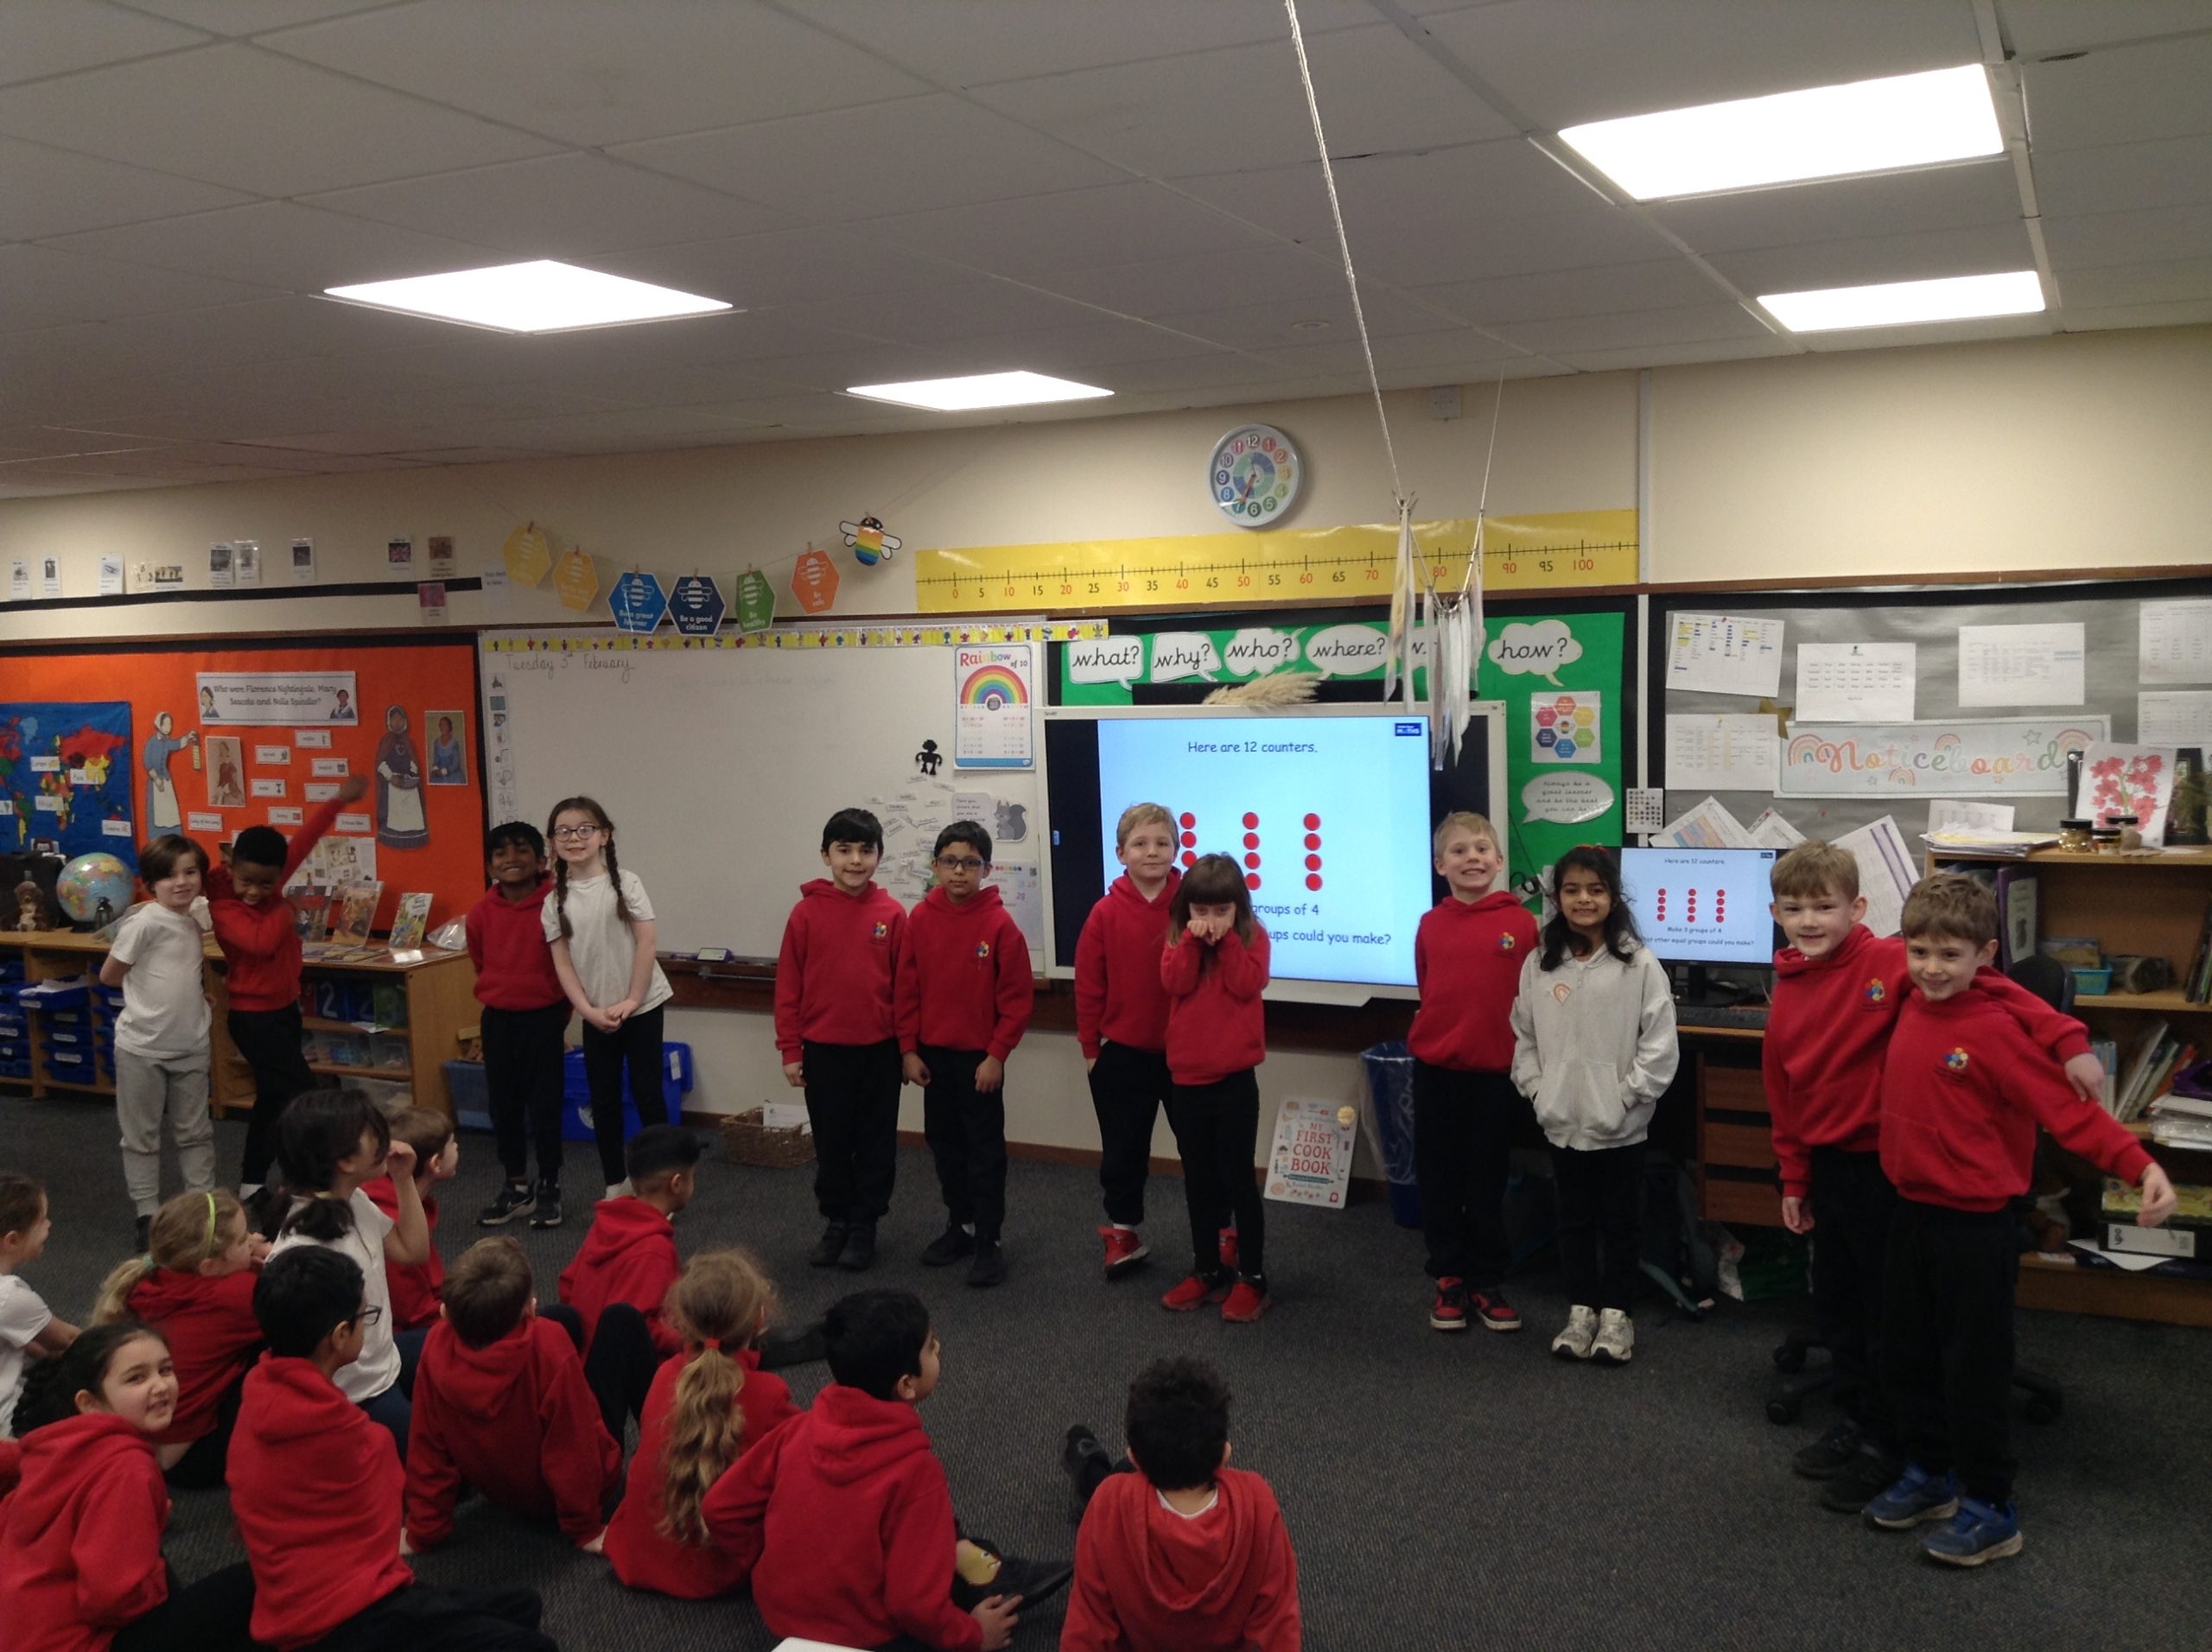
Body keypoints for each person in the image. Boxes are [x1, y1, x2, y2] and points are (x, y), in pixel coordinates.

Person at [1764, 840, 2107, 1509]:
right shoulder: (1788, 989)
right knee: (1837, 1303)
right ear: (1775, 914)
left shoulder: (1893, 961)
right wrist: (1796, 1178)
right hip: (1829, 1167)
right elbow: (1785, 1096)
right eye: (1794, 909)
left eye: (1824, 907)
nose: (1809, 921)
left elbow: (1994, 985)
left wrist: (2068, 1040)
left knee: (1887, 1317)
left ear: (1857, 909)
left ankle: (1890, 1442)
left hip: (1891, 1167)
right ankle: (1858, 1417)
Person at [1861, 874, 2176, 1566]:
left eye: (1950, 955)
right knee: (1906, 1354)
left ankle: (1990, 1506)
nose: (1931, 968)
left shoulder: (1997, 1033)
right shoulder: (1910, 996)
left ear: (1986, 956)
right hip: (1910, 1211)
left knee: (1973, 1369)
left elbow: (2070, 1116)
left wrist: (2140, 1166)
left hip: (1975, 1227)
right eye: (1919, 951)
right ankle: (1932, 1473)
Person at [229, 1248, 555, 1650]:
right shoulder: (354, 1438)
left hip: (305, 1597)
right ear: (340, 1337)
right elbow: (381, 1519)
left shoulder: (256, 1403)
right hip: (350, 1615)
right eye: (365, 1317)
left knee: (522, 1605)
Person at [702, 1289, 1058, 1652]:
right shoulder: (916, 1472)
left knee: (940, 1535)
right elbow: (913, 1604)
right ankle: (993, 1577)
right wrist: (973, 1636)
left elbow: (719, 1508)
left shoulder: (796, 1430)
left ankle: (982, 1563)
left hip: (781, 1614)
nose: (939, 1350)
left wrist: (767, 1564)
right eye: (931, 1347)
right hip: (866, 1637)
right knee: (948, 1563)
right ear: (906, 1385)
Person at [1510, 845, 1677, 1366]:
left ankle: (1617, 1316)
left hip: (1619, 1126)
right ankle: (1581, 1311)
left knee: (1622, 1222)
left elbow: (1659, 1045)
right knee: (1574, 1221)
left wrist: (1625, 1097)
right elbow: (1525, 1036)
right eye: (1572, 890)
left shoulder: (1639, 964)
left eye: (1596, 889)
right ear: (1557, 897)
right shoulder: (1540, 963)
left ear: (1613, 897)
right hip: (1562, 1122)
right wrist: (1539, 1090)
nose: (1584, 899)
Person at [0, 1322, 257, 1651]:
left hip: (23, 1631)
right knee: (254, 1584)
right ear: (89, 1403)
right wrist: (154, 1581)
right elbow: (110, 1601)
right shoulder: (128, 1467)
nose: (160, 1386)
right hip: (79, 1641)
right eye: (137, 1378)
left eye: (166, 1370)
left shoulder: (55, 1441)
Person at [1059, 1357, 1300, 1652]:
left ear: (1136, 1458)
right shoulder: (1257, 1502)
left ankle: (1088, 1469)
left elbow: (1087, 1627)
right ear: (1225, 1455)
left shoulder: (1109, 1504)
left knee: (1112, 1480)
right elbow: (1279, 1624)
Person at [401, 1237, 620, 1556]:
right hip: (564, 1499)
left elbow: (427, 1448)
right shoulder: (549, 1343)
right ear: (530, 1309)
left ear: (445, 1313)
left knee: (566, 1319)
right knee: (616, 1325)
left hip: (500, 1493)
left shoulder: (435, 1346)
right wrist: (586, 1528)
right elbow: (574, 1448)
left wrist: (423, 1531)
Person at [601, 1249, 799, 1598]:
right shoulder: (769, 1394)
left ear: (681, 1322)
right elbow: (804, 1458)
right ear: (759, 1320)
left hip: (640, 1554)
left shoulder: (664, 1375)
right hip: (718, 1569)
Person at [1408, 810, 1539, 1334]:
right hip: (1437, 1070)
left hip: (1495, 1076)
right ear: (1440, 864)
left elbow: (1531, 1001)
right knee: (1439, 1178)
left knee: (1486, 1180)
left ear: (1500, 860)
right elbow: (1429, 987)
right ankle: (1448, 1276)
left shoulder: (1522, 924)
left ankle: (1486, 1278)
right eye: (1459, 851)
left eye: (1482, 849)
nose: (1472, 858)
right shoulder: (1430, 924)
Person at [204, 776, 368, 1190]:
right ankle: (313, 1181)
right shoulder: (224, 907)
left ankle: (253, 1184)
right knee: (302, 1099)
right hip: (253, 1019)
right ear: (230, 867)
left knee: (273, 1099)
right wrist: (287, 907)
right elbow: (261, 942)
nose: (255, 891)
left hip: (282, 1011)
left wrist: (338, 801)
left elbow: (304, 841)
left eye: (267, 883)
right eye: (247, 881)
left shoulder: (267, 881)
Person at [897, 821, 1033, 1288]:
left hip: (980, 1061)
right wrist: (908, 1049)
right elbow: (906, 991)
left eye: (970, 863)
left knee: (984, 1152)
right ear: (936, 866)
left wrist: (997, 1056)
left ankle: (989, 1239)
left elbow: (1017, 1001)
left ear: (986, 869)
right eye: (950, 862)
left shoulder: (1000, 925)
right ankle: (962, 1225)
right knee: (944, 1146)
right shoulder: (920, 919)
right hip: (932, 1058)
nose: (959, 871)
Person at [776, 806, 907, 1274]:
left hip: (879, 1052)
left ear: (879, 856)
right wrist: (791, 1050)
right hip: (823, 1051)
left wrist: (906, 1049)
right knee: (832, 1143)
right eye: (844, 850)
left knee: (875, 1143)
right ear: (825, 856)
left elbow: (905, 989)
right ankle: (836, 1221)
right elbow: (789, 986)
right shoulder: (805, 913)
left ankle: (864, 1224)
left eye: (865, 851)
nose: (855, 860)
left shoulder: (892, 914)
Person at [264, 1091, 429, 1456]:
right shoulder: (305, 1253)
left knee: (467, 1339)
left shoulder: (351, 1199)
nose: (385, 1139)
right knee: (439, 1460)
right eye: (373, 1133)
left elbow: (413, 1251)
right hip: (358, 1393)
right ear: (345, 1160)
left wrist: (403, 1180)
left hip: (383, 1359)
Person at [1159, 854, 1273, 1323]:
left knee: (1238, 1181)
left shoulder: (1253, 938)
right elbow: (1175, 982)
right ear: (1186, 910)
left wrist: (1226, 943)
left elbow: (1247, 984)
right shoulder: (1177, 940)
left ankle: (1252, 1277)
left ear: (1238, 909)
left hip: (1234, 1085)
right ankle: (1207, 1268)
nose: (1210, 920)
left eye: (1221, 911)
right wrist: (1191, 940)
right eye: (1201, 910)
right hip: (1187, 1083)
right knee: (1198, 1181)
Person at [543, 796, 672, 1198]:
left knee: (647, 1093)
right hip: (597, 1013)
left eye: (585, 829)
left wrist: (632, 1000)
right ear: (553, 842)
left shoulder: (626, 883)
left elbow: (646, 943)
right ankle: (616, 1182)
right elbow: (563, 963)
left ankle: (664, 1180)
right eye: (563, 832)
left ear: (604, 835)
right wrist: (587, 1011)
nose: (574, 838)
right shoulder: (553, 901)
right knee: (604, 1099)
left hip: (643, 1004)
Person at [1073, 801, 1181, 1279]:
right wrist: (1091, 1051)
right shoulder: (1104, 913)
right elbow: (1089, 986)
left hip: (1186, 1055)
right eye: (1140, 843)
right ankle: (1122, 1234)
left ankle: (1220, 1235)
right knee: (1122, 1151)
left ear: (1177, 849)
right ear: (1121, 853)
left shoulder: (1192, 906)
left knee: (1202, 1150)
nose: (1151, 852)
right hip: (1122, 1056)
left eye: (1162, 843)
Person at [93, 1189, 266, 1488]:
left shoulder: (152, 1280)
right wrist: (271, 1255)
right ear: (209, 1267)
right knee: (283, 1339)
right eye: (242, 1240)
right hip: (193, 1459)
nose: (252, 1241)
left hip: (149, 1442)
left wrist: (247, 1254)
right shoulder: (236, 1296)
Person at [100, 836, 218, 1247]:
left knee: (195, 1132)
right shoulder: (144, 923)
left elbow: (181, 970)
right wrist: (153, 999)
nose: (181, 882)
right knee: (141, 1135)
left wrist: (192, 996)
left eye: (190, 872)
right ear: (151, 883)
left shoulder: (198, 916)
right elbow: (110, 975)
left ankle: (202, 1210)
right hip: (142, 1047)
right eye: (168, 876)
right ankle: (146, 1214)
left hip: (191, 1045)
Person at [557, 1124, 697, 1439]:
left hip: (583, 1361)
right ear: (677, 1184)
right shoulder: (654, 1249)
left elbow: (567, 1285)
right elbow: (638, 1328)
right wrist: (686, 1338)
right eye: (693, 1177)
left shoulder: (608, 1222)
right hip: (613, 1377)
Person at [467, 823, 570, 1230]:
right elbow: (480, 961)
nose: (511, 859)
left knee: (545, 1105)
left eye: (521, 850)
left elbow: (568, 966)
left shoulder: (557, 906)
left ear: (541, 860)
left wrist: (558, 1014)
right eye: (501, 853)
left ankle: (550, 1186)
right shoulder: (480, 913)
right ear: (490, 866)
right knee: (503, 1106)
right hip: (498, 1019)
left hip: (543, 1018)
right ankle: (516, 1185)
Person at [362, 1108, 458, 1332]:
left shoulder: (398, 1200)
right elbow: (413, 1312)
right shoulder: (391, 1221)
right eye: (452, 1143)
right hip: (398, 1332)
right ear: (435, 1163)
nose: (457, 1147)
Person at [1, 1174, 79, 1439]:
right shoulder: (9, 1296)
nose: (49, 1224)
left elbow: (27, 1340)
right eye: (42, 1220)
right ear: (12, 1240)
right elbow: (70, 1340)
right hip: (7, 1428)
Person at [373, 706, 428, 851]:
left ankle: (412, 840)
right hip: (392, 787)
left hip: (409, 786)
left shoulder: (408, 741)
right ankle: (394, 840)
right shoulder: (386, 741)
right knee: (395, 819)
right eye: (394, 719)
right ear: (389, 721)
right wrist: (391, 777)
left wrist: (413, 773)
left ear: (404, 721)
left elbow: (413, 761)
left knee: (411, 817)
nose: (397, 722)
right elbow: (380, 763)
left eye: (400, 719)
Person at [139, 712, 196, 834]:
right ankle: (159, 832)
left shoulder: (167, 742)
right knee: (158, 809)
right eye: (165, 724)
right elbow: (147, 762)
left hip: (166, 778)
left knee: (170, 808)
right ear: (159, 725)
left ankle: (173, 832)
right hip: (156, 781)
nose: (168, 727)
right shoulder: (151, 743)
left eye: (170, 725)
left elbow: (177, 744)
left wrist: (188, 737)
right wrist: (156, 779)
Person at [428, 716, 464, 785]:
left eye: (445, 725)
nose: (442, 727)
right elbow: (436, 760)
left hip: (452, 773)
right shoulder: (437, 742)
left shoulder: (454, 743)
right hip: (439, 773)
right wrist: (436, 769)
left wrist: (444, 771)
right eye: (441, 725)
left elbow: (455, 763)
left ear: (449, 727)